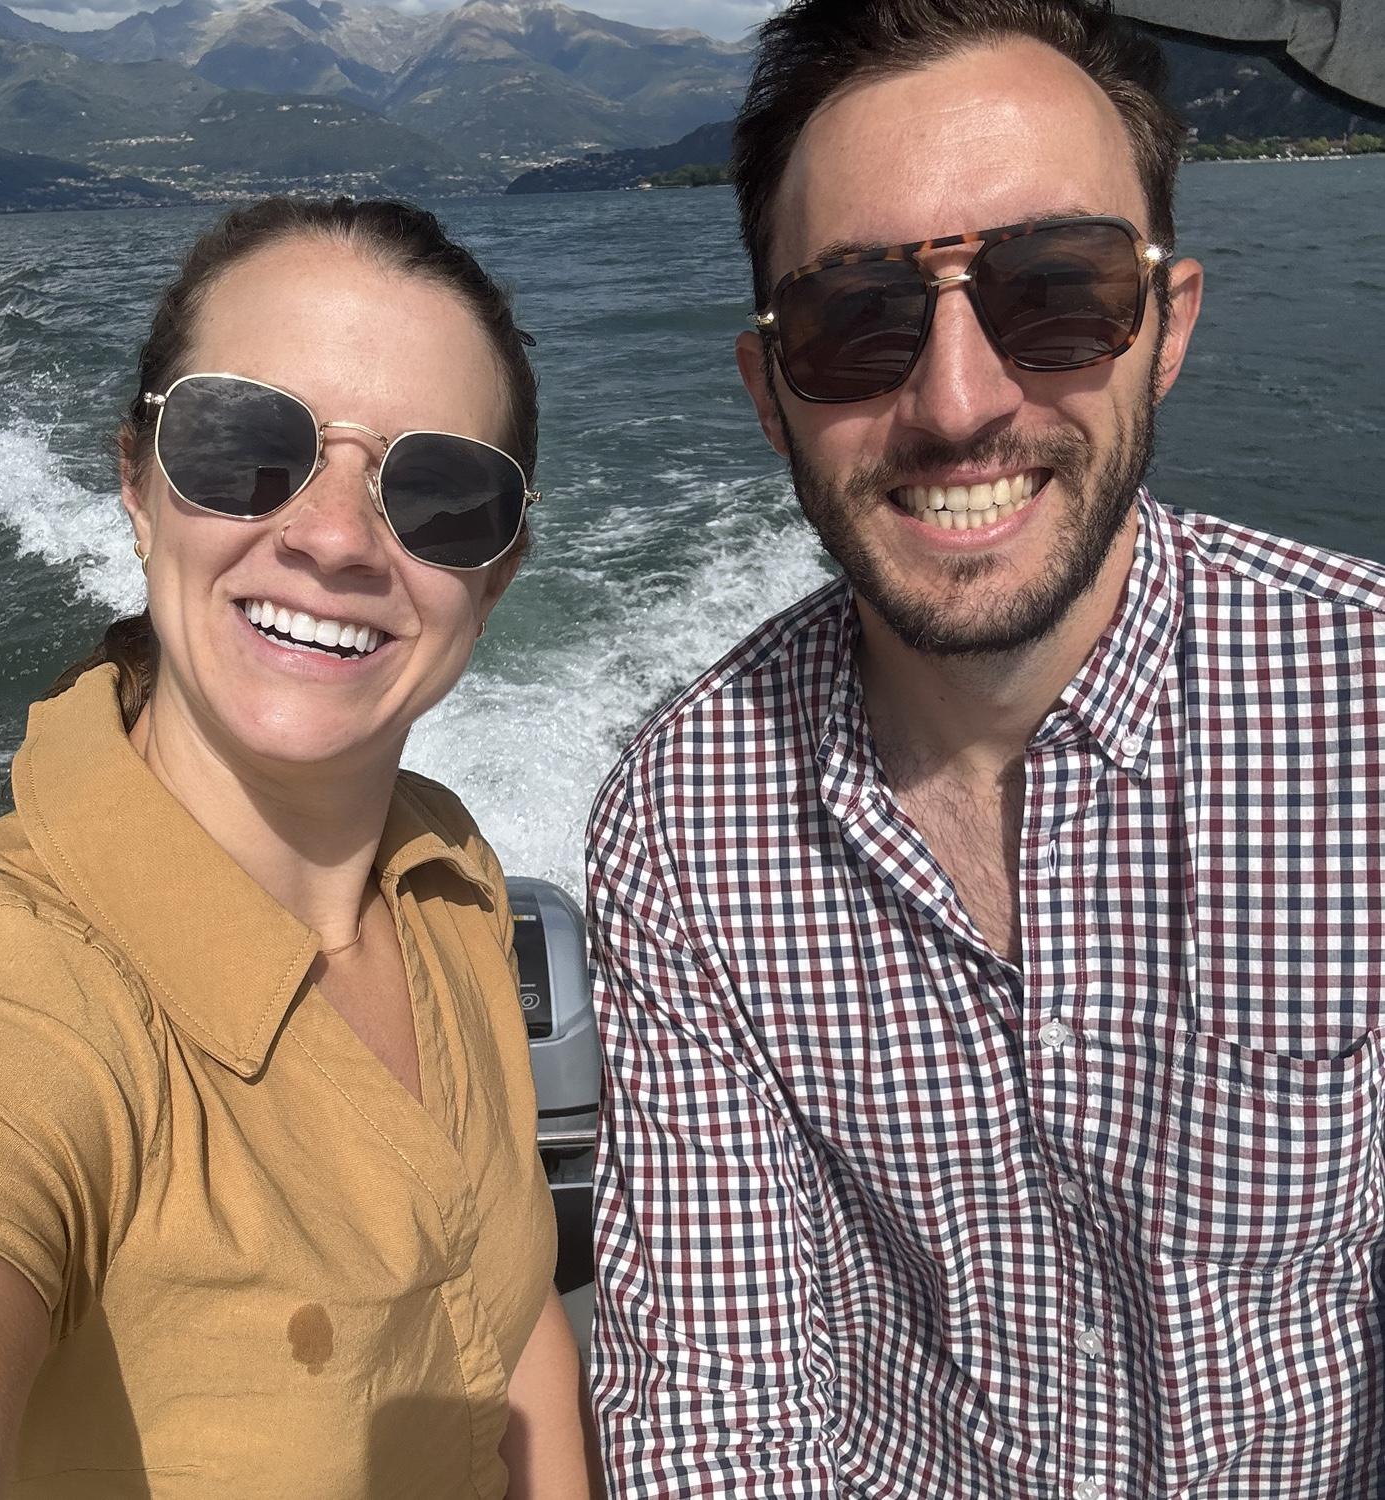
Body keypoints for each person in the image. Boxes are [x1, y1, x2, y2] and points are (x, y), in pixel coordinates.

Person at [586, 1, 1385, 1495]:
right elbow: (716, 1402)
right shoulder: (687, 822)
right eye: (856, 323)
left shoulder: (1367, 717)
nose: (959, 403)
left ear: (1169, 327)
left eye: (1058, 290)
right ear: (769, 392)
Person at [0, 197, 595, 1498]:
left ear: (493, 576)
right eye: (247, 445)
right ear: (138, 484)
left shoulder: (446, 871)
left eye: (438, 493)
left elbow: (512, 1317)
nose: (334, 538)